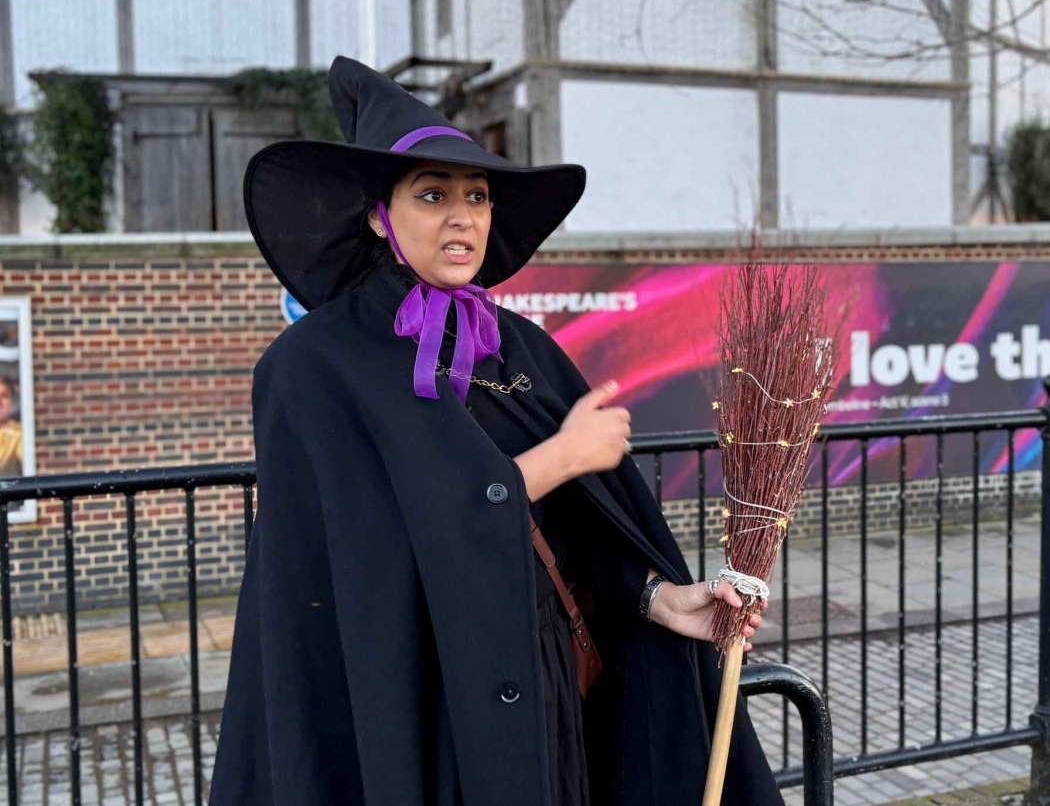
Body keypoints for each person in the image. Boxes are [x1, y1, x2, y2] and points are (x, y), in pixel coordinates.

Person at [211, 57, 780, 806]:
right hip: (413, 709)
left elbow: (573, 530)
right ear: (379, 215)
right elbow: (372, 548)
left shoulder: (519, 349)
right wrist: (559, 457)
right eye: (432, 194)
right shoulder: (312, 365)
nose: (464, 216)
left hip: (543, 691)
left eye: (476, 195)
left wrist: (655, 598)